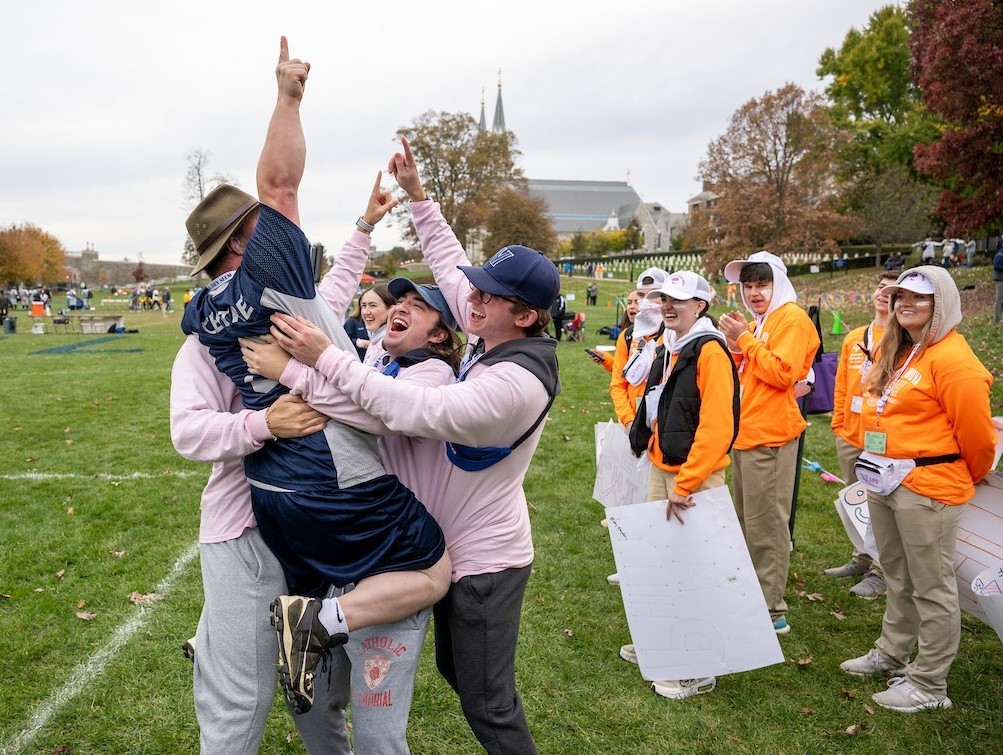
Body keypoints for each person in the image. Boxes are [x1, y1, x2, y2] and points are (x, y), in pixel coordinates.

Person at [255, 135, 560, 754]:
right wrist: (419, 198)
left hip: (481, 557)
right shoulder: (488, 337)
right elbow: (450, 268)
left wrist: (312, 364)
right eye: (474, 292)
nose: (470, 297)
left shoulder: (516, 383)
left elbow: (413, 411)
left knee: (485, 697)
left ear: (525, 315)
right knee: (461, 675)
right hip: (428, 533)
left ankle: (313, 630)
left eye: (487, 295)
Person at [179, 37, 450, 715]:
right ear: (248, 240)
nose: (280, 225)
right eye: (261, 226)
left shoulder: (205, 314)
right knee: (434, 566)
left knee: (312, 576)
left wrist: (361, 225)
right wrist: (287, 97)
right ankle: (317, 636)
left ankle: (305, 672)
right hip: (334, 484)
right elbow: (280, 184)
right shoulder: (272, 277)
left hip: (273, 493)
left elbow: (326, 304)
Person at [171, 347, 354, 755]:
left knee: (317, 687)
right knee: (241, 696)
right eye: (220, 277)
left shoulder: (304, 321)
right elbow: (187, 430)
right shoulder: (206, 342)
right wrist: (265, 423)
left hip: (331, 527)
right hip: (248, 529)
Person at [840, 266, 995, 713]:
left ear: (941, 304)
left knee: (932, 584)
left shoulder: (953, 359)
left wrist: (961, 473)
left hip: (926, 487)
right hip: (885, 479)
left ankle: (929, 684)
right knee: (896, 572)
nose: (906, 304)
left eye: (919, 299)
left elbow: (979, 439)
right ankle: (892, 651)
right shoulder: (903, 347)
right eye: (901, 297)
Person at [622, 270, 740, 700]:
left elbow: (716, 426)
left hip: (693, 475)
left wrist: (687, 483)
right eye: (663, 298)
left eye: (678, 300)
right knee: (661, 563)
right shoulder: (671, 345)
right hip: (665, 466)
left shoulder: (709, 350)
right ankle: (662, 641)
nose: (667, 306)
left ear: (700, 306)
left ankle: (698, 668)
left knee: (694, 571)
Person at [718, 251, 819, 635]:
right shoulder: (764, 320)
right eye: (748, 285)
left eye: (762, 284)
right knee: (748, 520)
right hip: (749, 432)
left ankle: (771, 608)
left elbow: (783, 373)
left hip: (771, 436)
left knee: (767, 525)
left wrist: (743, 337)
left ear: (778, 283)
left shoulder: (790, 318)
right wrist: (740, 344)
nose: (755, 292)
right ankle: (754, 594)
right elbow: (755, 371)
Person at [826, 272, 900, 598]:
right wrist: (839, 423)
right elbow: (842, 383)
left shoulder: (905, 338)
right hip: (851, 434)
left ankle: (882, 572)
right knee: (858, 502)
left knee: (882, 506)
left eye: (892, 291)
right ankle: (862, 557)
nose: (884, 294)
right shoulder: (855, 336)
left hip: (882, 439)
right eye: (881, 287)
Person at [609, 268, 667, 430]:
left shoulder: (676, 336)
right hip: (632, 422)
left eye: (654, 295)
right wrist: (629, 422)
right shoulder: (627, 336)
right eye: (641, 295)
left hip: (666, 428)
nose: (646, 301)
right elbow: (618, 384)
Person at [356, 284, 395, 366]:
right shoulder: (375, 341)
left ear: (391, 310)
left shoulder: (393, 346)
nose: (366, 312)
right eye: (363, 305)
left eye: (373, 305)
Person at [994, 240, 1003, 324]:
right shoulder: (999, 255)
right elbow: (996, 266)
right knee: (999, 300)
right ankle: (997, 318)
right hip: (1000, 280)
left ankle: (1000, 317)